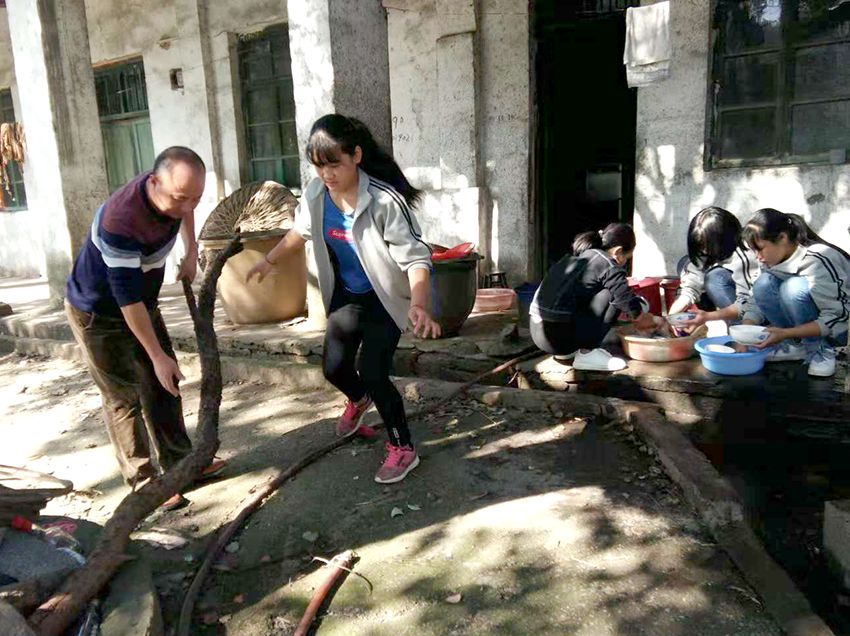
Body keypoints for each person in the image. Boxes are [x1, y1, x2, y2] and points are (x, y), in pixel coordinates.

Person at [246, 114, 440, 484]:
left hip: (384, 301)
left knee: (373, 371)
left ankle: (403, 448)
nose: (326, 174)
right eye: (319, 166)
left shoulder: (384, 202)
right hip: (347, 296)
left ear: (356, 156)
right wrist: (268, 260)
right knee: (334, 367)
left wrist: (419, 304)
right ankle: (358, 399)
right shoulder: (317, 196)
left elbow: (416, 257)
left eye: (334, 163)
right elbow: (299, 232)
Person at [65, 147, 226, 511]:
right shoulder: (121, 221)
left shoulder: (175, 194)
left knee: (164, 385)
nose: (187, 207)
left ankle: (183, 465)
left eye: (195, 198)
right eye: (180, 198)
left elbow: (187, 207)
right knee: (124, 397)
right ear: (154, 182)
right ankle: (146, 484)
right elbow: (126, 301)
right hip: (100, 313)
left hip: (141, 302)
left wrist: (189, 251)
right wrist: (156, 354)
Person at [529, 223, 657, 371]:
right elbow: (625, 300)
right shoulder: (608, 264)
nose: (625, 262)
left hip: (538, 333)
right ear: (618, 251)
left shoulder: (577, 258)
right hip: (558, 338)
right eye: (627, 257)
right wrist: (646, 318)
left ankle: (569, 353)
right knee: (612, 293)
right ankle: (587, 354)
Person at [741, 208, 850, 377]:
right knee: (763, 284)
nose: (758, 257)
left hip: (837, 332)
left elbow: (838, 317)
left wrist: (784, 333)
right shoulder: (770, 260)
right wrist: (744, 331)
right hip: (800, 330)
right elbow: (756, 299)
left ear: (783, 238)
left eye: (760, 249)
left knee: (792, 288)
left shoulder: (818, 259)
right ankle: (797, 345)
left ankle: (822, 350)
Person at [668, 207, 759, 329]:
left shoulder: (744, 253)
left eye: (707, 247)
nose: (704, 250)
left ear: (723, 241)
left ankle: (736, 326)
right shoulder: (707, 247)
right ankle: (704, 319)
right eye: (700, 246)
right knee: (685, 263)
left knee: (715, 278)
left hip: (751, 307)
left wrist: (745, 330)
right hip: (731, 299)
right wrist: (673, 314)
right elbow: (691, 282)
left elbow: (748, 299)